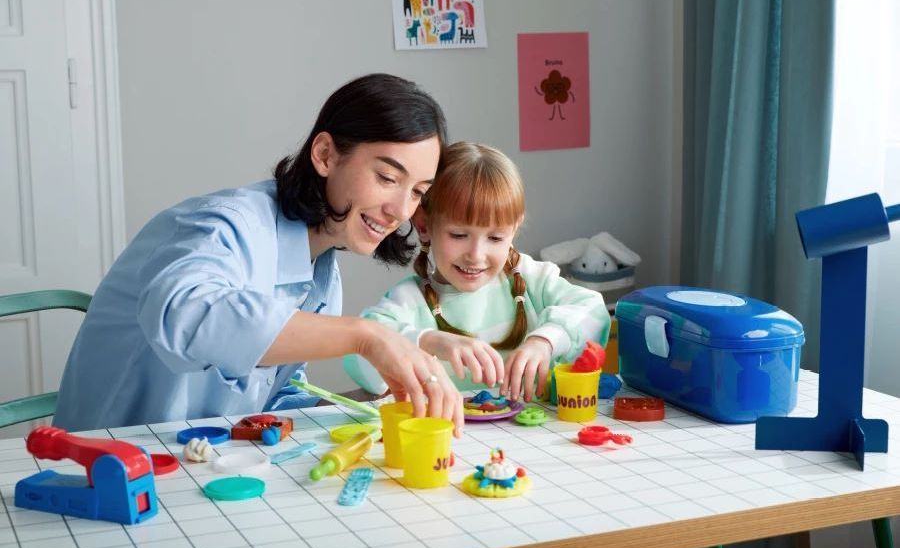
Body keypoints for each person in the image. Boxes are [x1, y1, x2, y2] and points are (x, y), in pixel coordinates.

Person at [54, 74, 464, 433]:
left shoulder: (321, 274)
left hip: (196, 464)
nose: (401, 210)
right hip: (104, 465)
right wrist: (364, 335)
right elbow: (183, 314)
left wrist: (361, 412)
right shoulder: (225, 226)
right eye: (387, 177)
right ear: (325, 155)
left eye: (418, 192)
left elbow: (272, 398)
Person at [343, 142, 611, 402]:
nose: (476, 255)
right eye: (459, 235)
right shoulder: (410, 301)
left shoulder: (532, 280)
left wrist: (545, 341)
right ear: (424, 225)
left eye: (495, 238)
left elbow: (593, 312)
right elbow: (359, 350)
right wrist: (429, 340)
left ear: (514, 230)